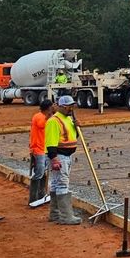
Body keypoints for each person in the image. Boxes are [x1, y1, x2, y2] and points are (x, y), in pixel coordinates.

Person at [44, 95, 83, 225]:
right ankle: (66, 216)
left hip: (67, 156)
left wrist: (76, 128)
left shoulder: (68, 119)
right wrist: (54, 159)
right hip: (59, 156)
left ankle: (55, 214)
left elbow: (71, 137)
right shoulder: (54, 121)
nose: (71, 109)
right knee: (62, 184)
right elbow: (50, 143)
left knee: (56, 184)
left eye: (72, 106)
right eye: (68, 107)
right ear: (61, 107)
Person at [28, 99, 54, 208]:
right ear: (48, 108)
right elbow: (42, 124)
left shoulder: (44, 117)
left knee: (43, 173)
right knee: (39, 173)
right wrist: (50, 116)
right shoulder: (39, 116)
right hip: (38, 149)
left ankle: (41, 195)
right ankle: (33, 198)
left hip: (44, 148)